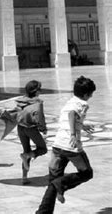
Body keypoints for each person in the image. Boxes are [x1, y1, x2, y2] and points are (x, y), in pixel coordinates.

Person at [35, 76, 95, 213]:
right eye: (91, 94)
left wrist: (82, 125)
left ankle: (43, 212)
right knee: (87, 173)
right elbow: (72, 115)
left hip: (58, 145)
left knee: (53, 183)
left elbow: (69, 116)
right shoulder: (83, 104)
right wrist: (74, 134)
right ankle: (61, 184)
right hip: (71, 147)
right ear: (86, 94)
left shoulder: (70, 102)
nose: (91, 96)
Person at [16, 80, 48, 184]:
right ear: (35, 91)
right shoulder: (38, 102)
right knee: (43, 149)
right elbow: (40, 117)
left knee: (27, 151)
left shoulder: (21, 100)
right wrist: (43, 129)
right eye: (40, 89)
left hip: (20, 128)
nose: (41, 91)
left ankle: (24, 178)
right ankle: (27, 156)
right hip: (31, 128)